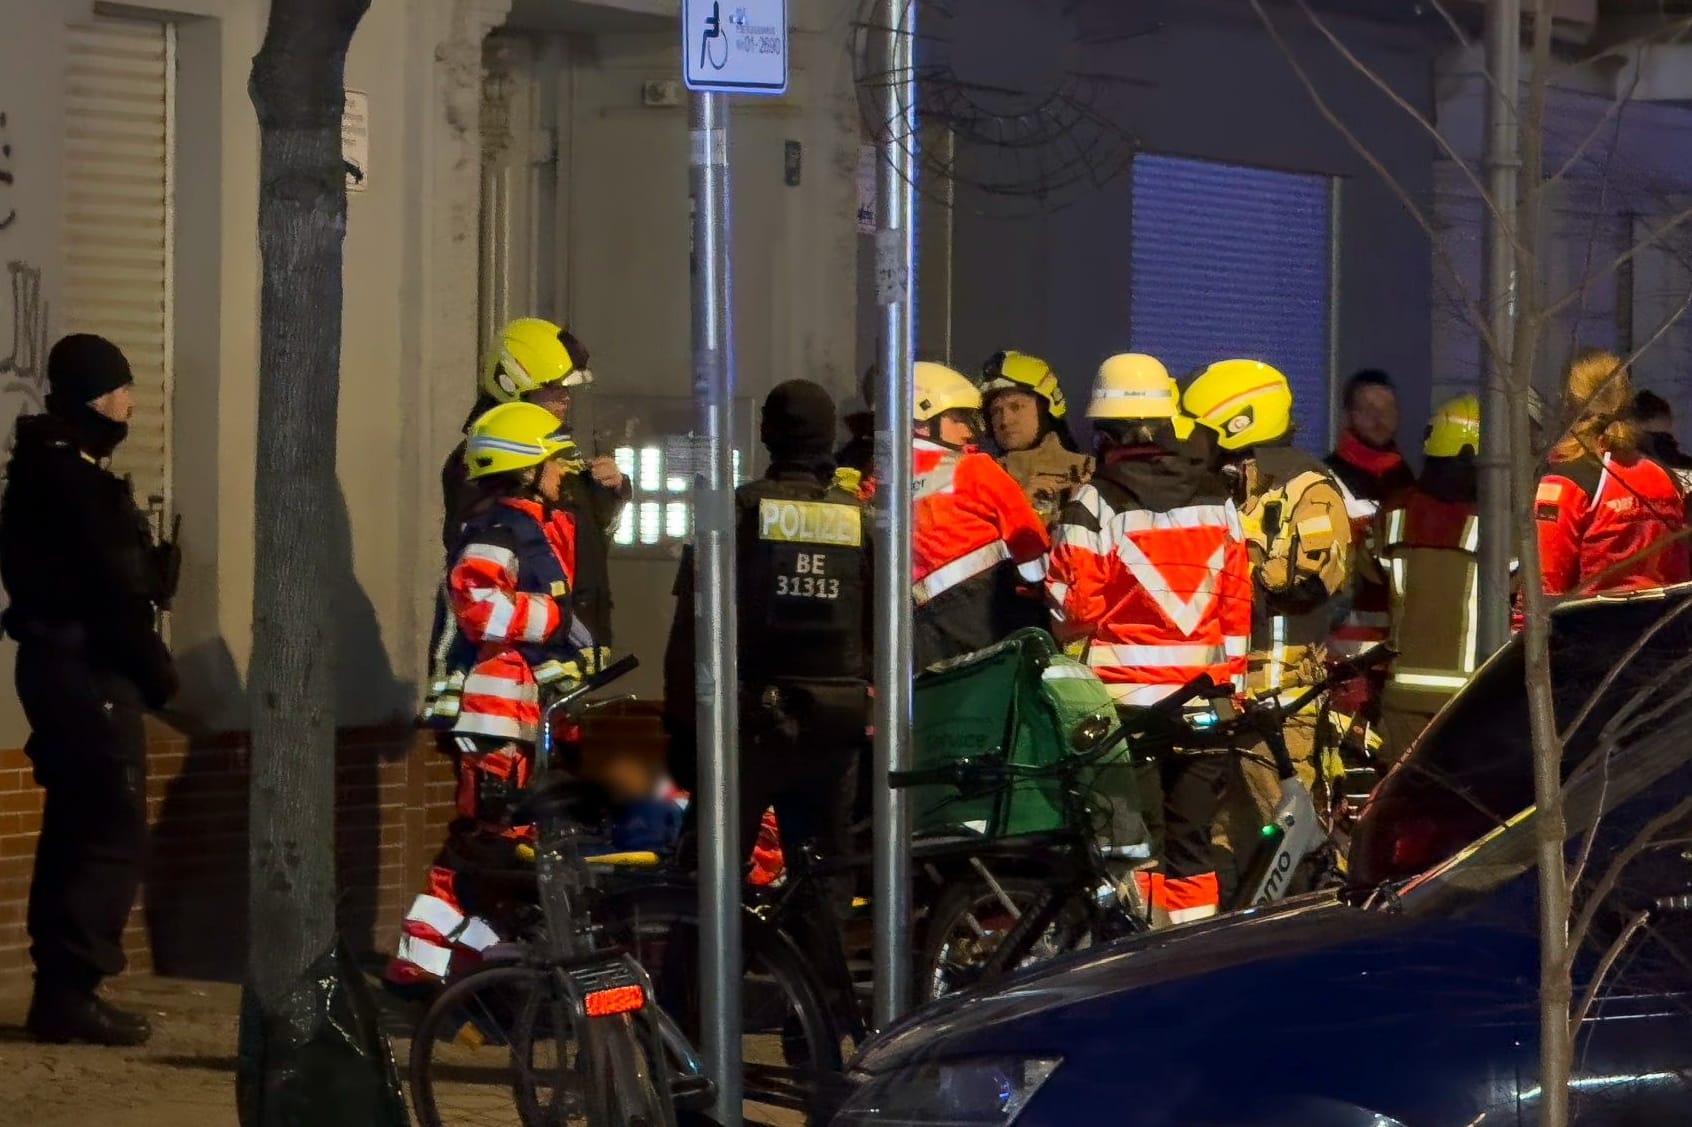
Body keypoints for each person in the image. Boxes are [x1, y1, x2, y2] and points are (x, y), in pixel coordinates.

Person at [0, 333, 179, 1045]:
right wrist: (156, 669)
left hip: (61, 670)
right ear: (93, 397)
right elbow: (107, 594)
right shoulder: (72, 484)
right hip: (88, 675)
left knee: (78, 826)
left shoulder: (44, 474)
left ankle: (63, 991)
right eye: (120, 390)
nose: (131, 403)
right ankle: (73, 989)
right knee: (109, 829)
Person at [390, 402, 599, 987]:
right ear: (527, 466)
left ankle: (478, 972)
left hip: (520, 719)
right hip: (495, 721)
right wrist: (556, 616)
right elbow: (479, 606)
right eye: (553, 459)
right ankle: (421, 969)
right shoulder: (499, 530)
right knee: (488, 853)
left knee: (509, 853)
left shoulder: (534, 526)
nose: (563, 470)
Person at [1046, 353, 1250, 927]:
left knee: (1137, 848)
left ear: (1105, 430)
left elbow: (1073, 611)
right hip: (1204, 704)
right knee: (1193, 847)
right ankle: (1190, 956)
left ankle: (1134, 963)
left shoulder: (1092, 505)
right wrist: (1226, 687)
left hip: (1125, 710)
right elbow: (1236, 608)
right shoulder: (1219, 500)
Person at [665, 381, 873, 886]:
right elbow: (883, 630)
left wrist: (682, 732)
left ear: (766, 435)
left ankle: (711, 964)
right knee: (821, 882)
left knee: (709, 883)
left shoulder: (732, 515)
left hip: (748, 724)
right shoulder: (861, 521)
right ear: (827, 439)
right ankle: (811, 965)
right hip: (834, 730)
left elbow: (692, 634)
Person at [1183, 360, 1351, 889]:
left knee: (1294, 837)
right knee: (1224, 840)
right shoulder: (1225, 487)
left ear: (1239, 424)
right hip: (1225, 699)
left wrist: (1242, 552)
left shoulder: (1310, 490)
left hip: (1283, 704)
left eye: (1206, 433)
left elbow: (1310, 582)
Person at [424, 318, 627, 727]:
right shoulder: (482, 467)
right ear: (512, 385)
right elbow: (501, 558)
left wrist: (608, 494)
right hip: (516, 673)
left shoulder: (556, 462)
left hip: (559, 659)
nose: (564, 399)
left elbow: (581, 544)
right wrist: (556, 619)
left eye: (566, 389)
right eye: (552, 389)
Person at [910, 361, 1051, 668]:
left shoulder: (879, 481)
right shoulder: (974, 468)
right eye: (957, 419)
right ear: (922, 422)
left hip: (913, 628)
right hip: (983, 617)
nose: (968, 431)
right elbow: (1031, 546)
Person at [1371, 395, 1484, 762]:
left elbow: (1368, 582)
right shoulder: (1499, 524)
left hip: (1399, 696)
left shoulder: (1393, 512)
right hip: (1467, 700)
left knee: (1395, 803)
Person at [1535, 350, 1689, 597]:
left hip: (1589, 627)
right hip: (1659, 627)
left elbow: (1544, 587)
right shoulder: (1664, 477)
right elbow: (1680, 576)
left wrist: (1521, 630)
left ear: (1567, 402)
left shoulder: (1565, 482)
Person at [1324, 370, 1415, 728]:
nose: (1380, 419)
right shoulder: (1327, 477)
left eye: (1388, 409)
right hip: (1342, 648)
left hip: (1394, 648)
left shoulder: (1408, 478)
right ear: (1349, 415)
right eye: (1368, 410)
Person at [979, 350, 1093, 525]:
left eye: (1016, 407)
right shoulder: (979, 480)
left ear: (1046, 408)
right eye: (995, 411)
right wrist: (1019, 507)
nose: (1005, 420)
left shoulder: (1091, 472)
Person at [1628, 389, 1692, 491]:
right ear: (1651, 419)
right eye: (1666, 413)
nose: (1671, 417)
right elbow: (1674, 466)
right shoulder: (1657, 443)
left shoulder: (1637, 444)